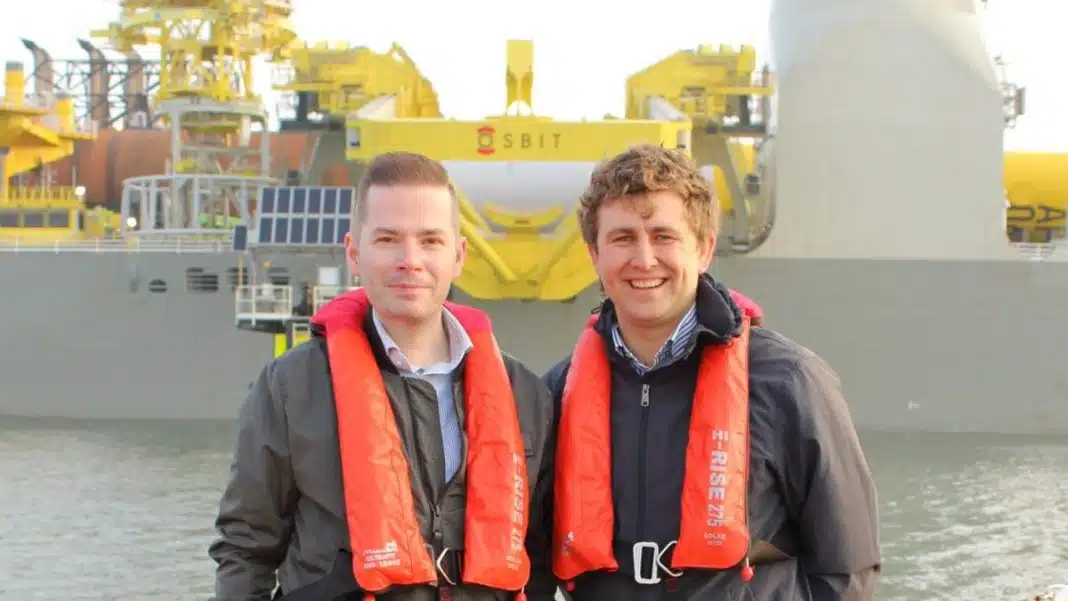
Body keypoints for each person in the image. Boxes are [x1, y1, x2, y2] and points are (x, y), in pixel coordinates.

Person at [209, 151, 558, 601]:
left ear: (459, 255)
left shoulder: (524, 392)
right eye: (389, 239)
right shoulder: (289, 387)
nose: (410, 260)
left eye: (431, 241)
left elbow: (540, 552)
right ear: (355, 252)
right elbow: (246, 547)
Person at [543, 145, 880, 601]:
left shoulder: (788, 381)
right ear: (594, 255)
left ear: (703, 249)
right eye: (623, 238)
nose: (644, 260)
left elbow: (847, 568)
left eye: (664, 236)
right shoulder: (558, 391)